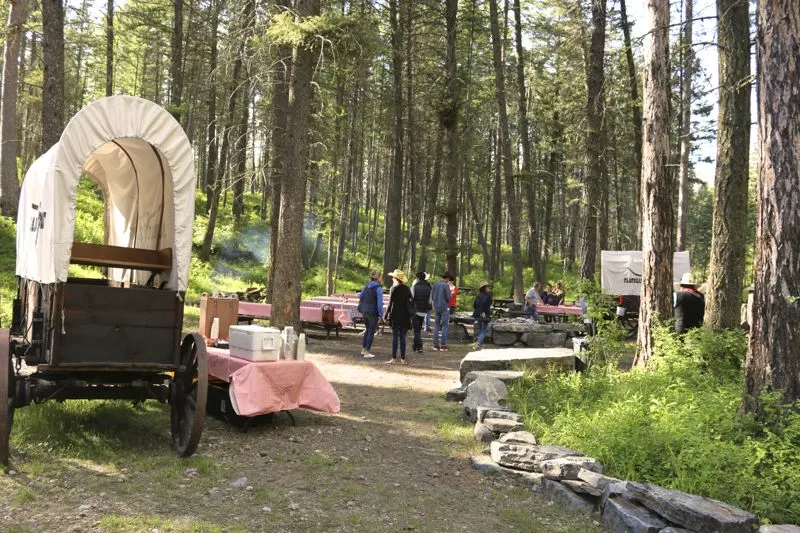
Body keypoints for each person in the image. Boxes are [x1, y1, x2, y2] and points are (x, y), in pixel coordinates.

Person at [385, 269, 413, 364]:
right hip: (405, 316)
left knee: (395, 337)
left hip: (395, 315)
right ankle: (403, 358)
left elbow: (390, 303)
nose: (392, 279)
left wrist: (385, 315)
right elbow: (410, 301)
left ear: (396, 279)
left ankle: (393, 358)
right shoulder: (407, 289)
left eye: (393, 277)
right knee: (403, 338)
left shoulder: (393, 289)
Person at [357, 271, 383, 358]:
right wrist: (381, 315)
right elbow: (379, 303)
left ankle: (363, 349)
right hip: (373, 312)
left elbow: (360, 296)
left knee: (367, 329)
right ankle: (367, 351)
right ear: (378, 278)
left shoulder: (367, 285)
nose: (382, 278)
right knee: (371, 331)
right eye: (381, 276)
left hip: (364, 310)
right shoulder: (378, 288)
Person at [410, 271, 432, 354]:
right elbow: (430, 300)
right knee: (418, 329)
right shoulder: (429, 287)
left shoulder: (414, 286)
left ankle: (419, 346)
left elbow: (410, 298)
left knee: (416, 330)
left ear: (418, 278)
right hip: (424, 311)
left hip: (415, 310)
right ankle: (416, 346)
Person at [431, 272, 453, 351]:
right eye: (448, 279)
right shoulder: (446, 286)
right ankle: (443, 345)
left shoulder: (435, 285)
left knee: (436, 325)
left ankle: (435, 345)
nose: (448, 281)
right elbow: (449, 298)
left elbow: (432, 297)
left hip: (436, 307)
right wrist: (451, 294)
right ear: (446, 278)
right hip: (444, 307)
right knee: (444, 326)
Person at [472, 281, 493, 349]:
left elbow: (474, 305)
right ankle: (478, 344)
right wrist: (483, 312)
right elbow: (485, 305)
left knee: (481, 330)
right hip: (484, 315)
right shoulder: (488, 295)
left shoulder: (478, 296)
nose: (488, 288)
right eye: (487, 286)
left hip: (477, 314)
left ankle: (481, 344)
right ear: (484, 288)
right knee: (484, 331)